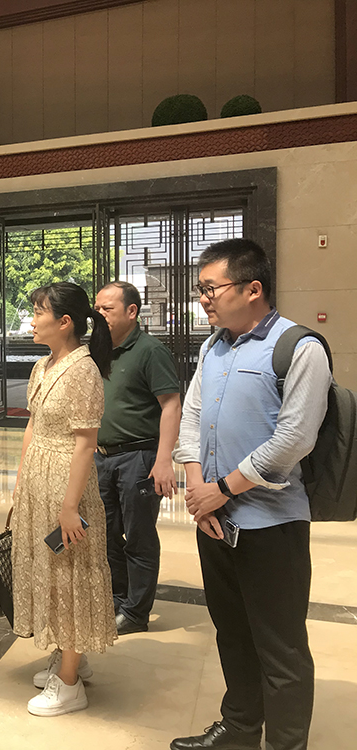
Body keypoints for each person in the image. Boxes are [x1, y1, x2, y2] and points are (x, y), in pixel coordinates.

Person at [171, 239, 330, 750]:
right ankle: (239, 729)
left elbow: (294, 438)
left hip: (272, 524)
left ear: (252, 288)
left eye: (210, 289)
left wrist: (222, 489)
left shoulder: (299, 347)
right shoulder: (212, 347)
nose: (203, 299)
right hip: (215, 521)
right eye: (200, 290)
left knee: (280, 646)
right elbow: (192, 417)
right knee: (232, 632)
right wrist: (197, 487)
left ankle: (285, 743)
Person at [11, 281, 116, 717]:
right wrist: (20, 481)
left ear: (65, 322)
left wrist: (70, 507)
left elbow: (86, 444)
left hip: (65, 484)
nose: (32, 320)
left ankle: (70, 684)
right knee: (51, 571)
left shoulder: (83, 370)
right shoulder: (43, 365)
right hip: (39, 479)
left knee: (70, 572)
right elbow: (33, 426)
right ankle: (71, 655)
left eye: (39, 312)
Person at [93, 281, 181, 635]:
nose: (99, 315)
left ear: (132, 311)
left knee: (139, 536)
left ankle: (136, 612)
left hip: (139, 458)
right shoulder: (97, 351)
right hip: (102, 458)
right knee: (106, 534)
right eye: (97, 309)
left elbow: (171, 405)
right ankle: (117, 598)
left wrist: (164, 460)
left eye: (107, 309)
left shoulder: (150, 351)